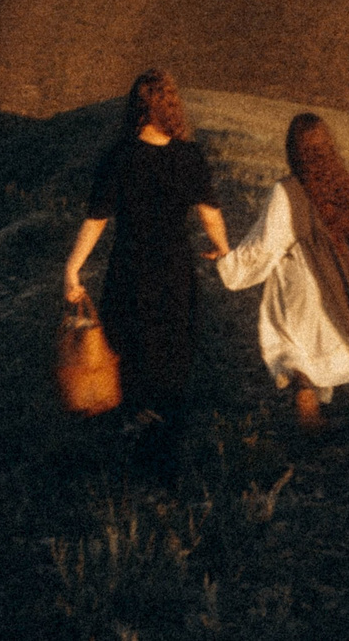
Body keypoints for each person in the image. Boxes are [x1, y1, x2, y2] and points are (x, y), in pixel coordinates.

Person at [63, 69, 229, 475]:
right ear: (172, 107)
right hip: (175, 270)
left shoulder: (118, 157)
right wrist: (223, 248)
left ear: (135, 108)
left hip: (129, 270)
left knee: (129, 347)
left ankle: (134, 434)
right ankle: (165, 439)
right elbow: (210, 215)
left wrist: (73, 268)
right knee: (172, 350)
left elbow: (96, 221)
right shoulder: (189, 156)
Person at [215, 112, 349, 430]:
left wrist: (230, 262)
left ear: (292, 151)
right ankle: (315, 407)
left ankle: (305, 391)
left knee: (287, 338)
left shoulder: (286, 191)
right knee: (329, 337)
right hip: (341, 283)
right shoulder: (345, 185)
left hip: (299, 281)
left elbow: (266, 245)